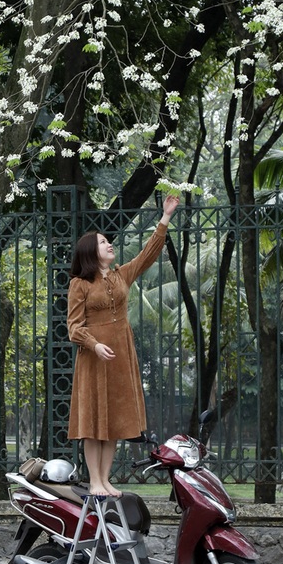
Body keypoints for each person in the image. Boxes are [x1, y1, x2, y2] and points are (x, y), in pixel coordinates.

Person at [67, 195, 180, 497]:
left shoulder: (121, 276)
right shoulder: (80, 283)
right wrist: (94, 344)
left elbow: (147, 255)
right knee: (94, 422)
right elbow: (73, 328)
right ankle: (94, 481)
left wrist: (165, 217)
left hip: (120, 358)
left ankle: (105, 480)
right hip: (94, 360)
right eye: (104, 242)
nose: (109, 245)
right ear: (92, 251)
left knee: (114, 421)